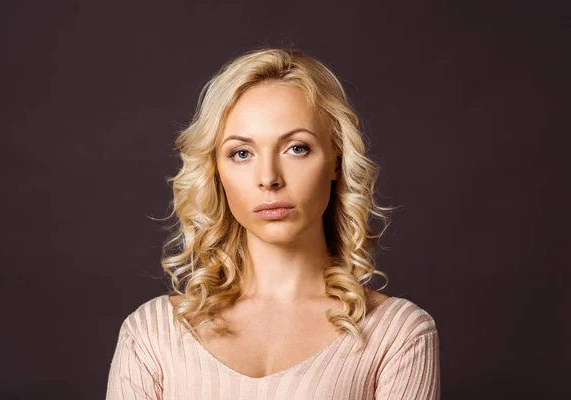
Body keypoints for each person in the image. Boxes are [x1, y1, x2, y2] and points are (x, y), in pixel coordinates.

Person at [105, 47, 440, 399]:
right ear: (215, 170)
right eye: (242, 153)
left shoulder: (399, 334)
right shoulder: (152, 334)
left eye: (296, 148)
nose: (268, 178)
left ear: (336, 162)